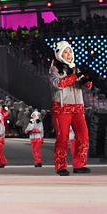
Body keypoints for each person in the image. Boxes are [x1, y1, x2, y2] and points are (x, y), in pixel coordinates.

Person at [49, 41, 91, 175]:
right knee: (63, 138)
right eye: (65, 52)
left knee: (83, 136)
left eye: (70, 52)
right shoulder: (54, 69)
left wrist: (87, 79)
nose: (69, 55)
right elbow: (60, 84)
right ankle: (61, 166)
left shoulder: (75, 69)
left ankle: (79, 164)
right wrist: (76, 76)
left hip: (78, 107)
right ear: (60, 54)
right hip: (61, 108)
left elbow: (88, 86)